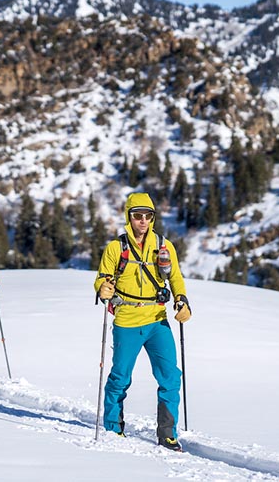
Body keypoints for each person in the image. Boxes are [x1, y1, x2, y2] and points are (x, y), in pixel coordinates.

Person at [94, 192, 192, 451]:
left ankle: (167, 434)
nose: (143, 220)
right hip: (127, 319)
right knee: (121, 377)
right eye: (138, 216)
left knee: (171, 376)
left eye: (148, 216)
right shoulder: (116, 248)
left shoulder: (164, 246)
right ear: (129, 217)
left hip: (157, 319)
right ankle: (113, 427)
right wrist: (103, 288)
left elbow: (176, 278)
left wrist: (181, 299)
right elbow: (102, 278)